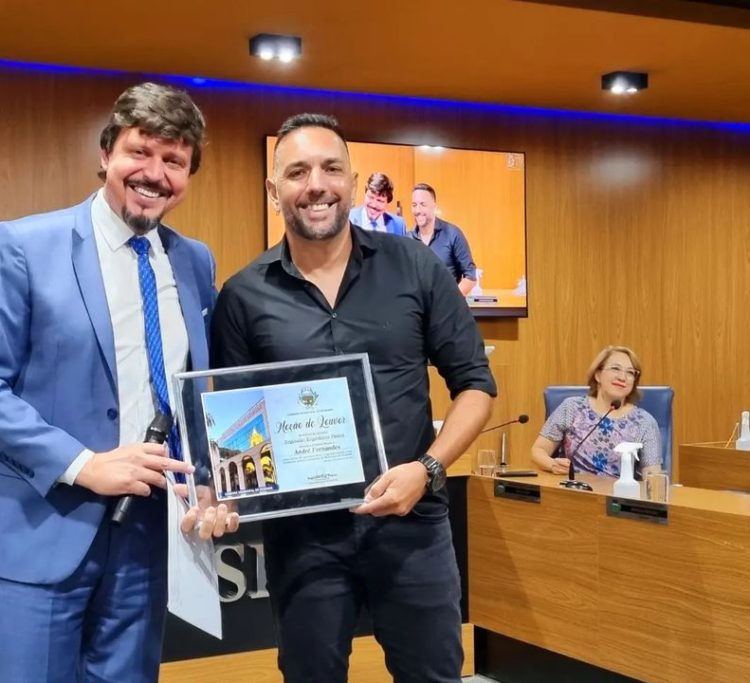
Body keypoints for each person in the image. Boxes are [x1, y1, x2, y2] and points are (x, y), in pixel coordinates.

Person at [0, 82, 236, 683]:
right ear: (106, 154)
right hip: (39, 528)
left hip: (149, 535)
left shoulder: (194, 261)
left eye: (174, 161)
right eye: (139, 152)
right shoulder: (24, 245)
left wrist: (213, 478)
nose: (154, 174)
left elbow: (195, 390)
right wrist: (84, 464)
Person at [211, 113, 496, 683]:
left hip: (413, 525)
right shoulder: (242, 295)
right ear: (274, 190)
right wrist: (225, 487)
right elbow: (233, 426)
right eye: (297, 172)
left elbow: (475, 385)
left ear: (353, 181)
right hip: (304, 539)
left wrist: (427, 469)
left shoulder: (415, 266)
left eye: (331, 168)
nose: (316, 184)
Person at [531, 345, 662, 479]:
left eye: (630, 372)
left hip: (617, 490)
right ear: (598, 375)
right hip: (571, 487)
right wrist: (552, 464)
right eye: (615, 368)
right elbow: (538, 450)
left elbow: (652, 475)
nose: (622, 377)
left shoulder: (645, 422)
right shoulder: (572, 407)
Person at [408, 183, 477, 295]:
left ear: (434, 206)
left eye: (423, 204)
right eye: (414, 205)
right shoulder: (407, 239)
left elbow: (470, 276)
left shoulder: (452, 234)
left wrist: (451, 300)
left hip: (447, 304)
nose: (418, 210)